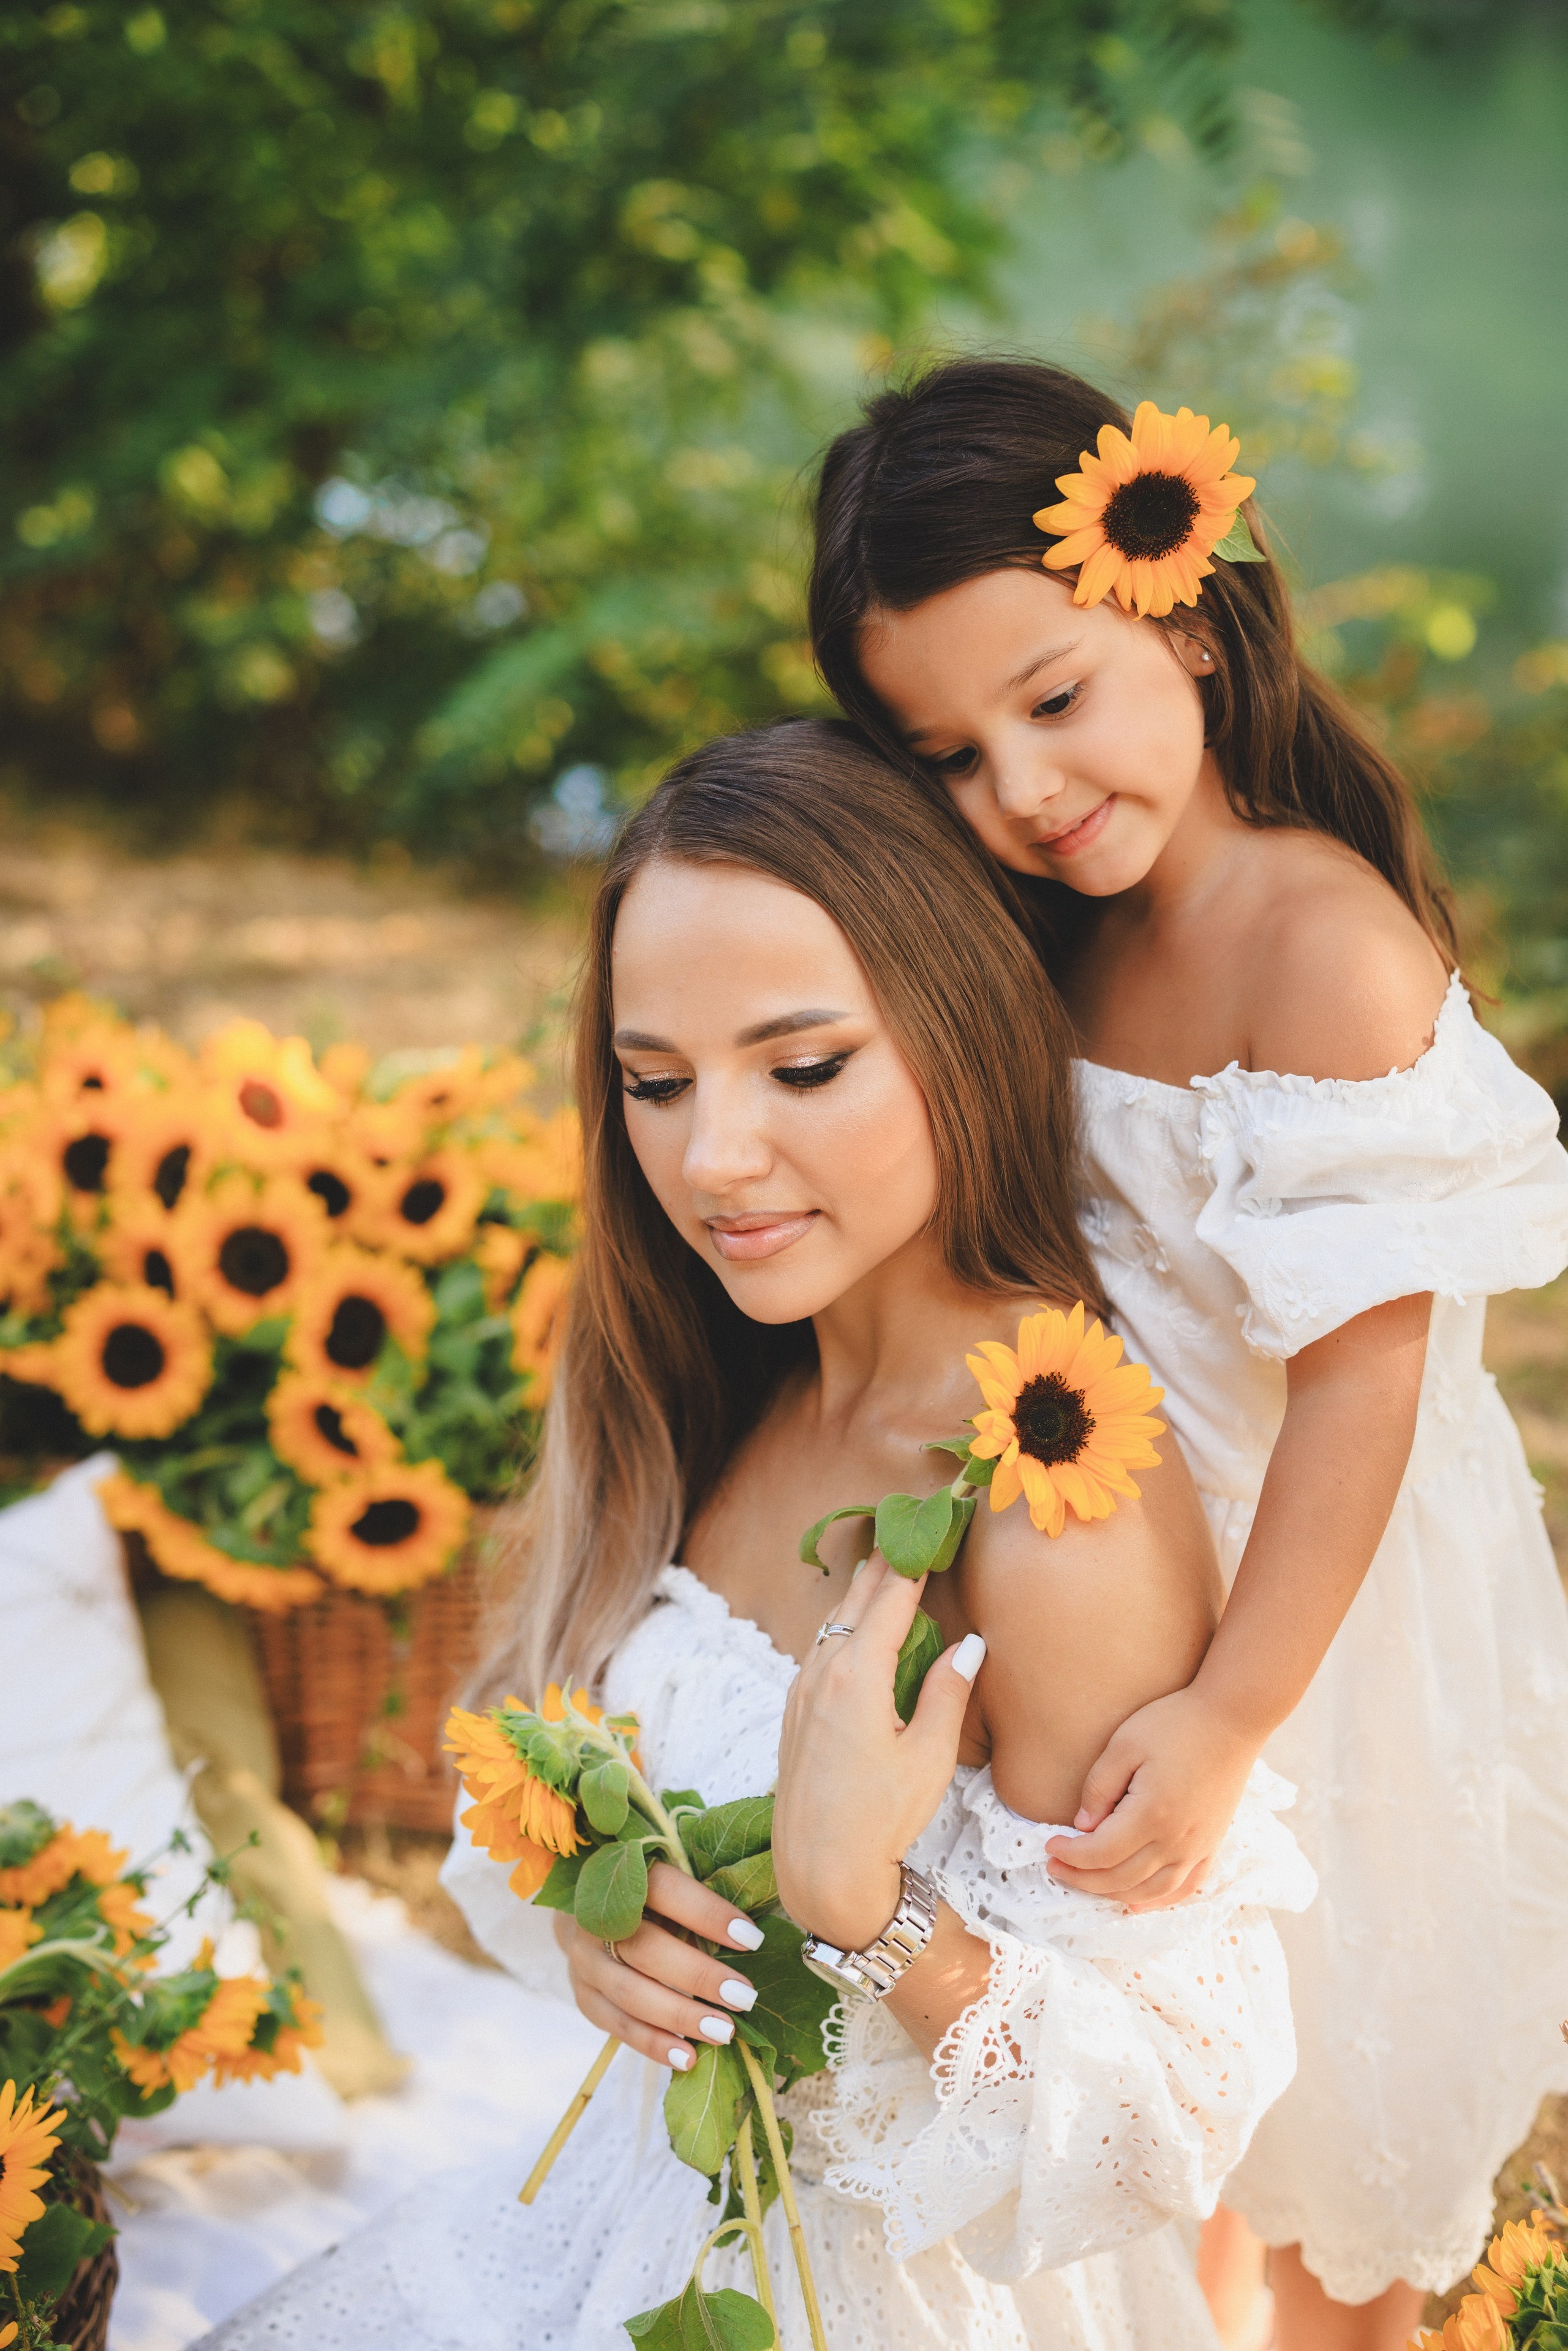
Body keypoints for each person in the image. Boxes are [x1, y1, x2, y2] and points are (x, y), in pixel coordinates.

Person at [195, 720, 1312, 2351]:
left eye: (801, 1068)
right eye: (656, 1082)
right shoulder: (718, 1380)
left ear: (961, 1037)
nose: (712, 1159)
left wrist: (870, 1910)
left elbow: (1167, 2124)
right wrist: (604, 1914)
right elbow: (546, 1773)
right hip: (638, 2222)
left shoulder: (1045, 1498)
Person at [806, 356, 1568, 2351]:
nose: (1025, 794)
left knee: (1331, 2107)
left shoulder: (1319, 948)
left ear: (1194, 609)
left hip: (1322, 1620)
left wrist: (1238, 1713)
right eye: (951, 755)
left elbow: (1366, 1392)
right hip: (1144, 1584)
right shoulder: (1057, 927)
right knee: (1172, 2089)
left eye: (1053, 702)